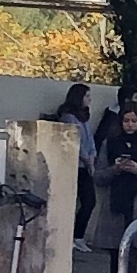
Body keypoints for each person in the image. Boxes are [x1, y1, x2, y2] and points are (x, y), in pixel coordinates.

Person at [88, 102, 137, 273]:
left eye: (134, 121)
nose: (130, 125)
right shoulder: (109, 143)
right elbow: (99, 177)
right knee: (115, 258)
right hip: (115, 207)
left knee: (132, 259)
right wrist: (115, 169)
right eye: (126, 120)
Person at [52, 85, 96, 255]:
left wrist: (92, 156)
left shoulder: (84, 118)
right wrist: (86, 158)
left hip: (85, 166)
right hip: (73, 166)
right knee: (72, 203)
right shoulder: (68, 118)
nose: (89, 99)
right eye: (87, 96)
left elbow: (90, 140)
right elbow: (73, 142)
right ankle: (71, 237)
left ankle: (78, 236)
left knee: (89, 201)